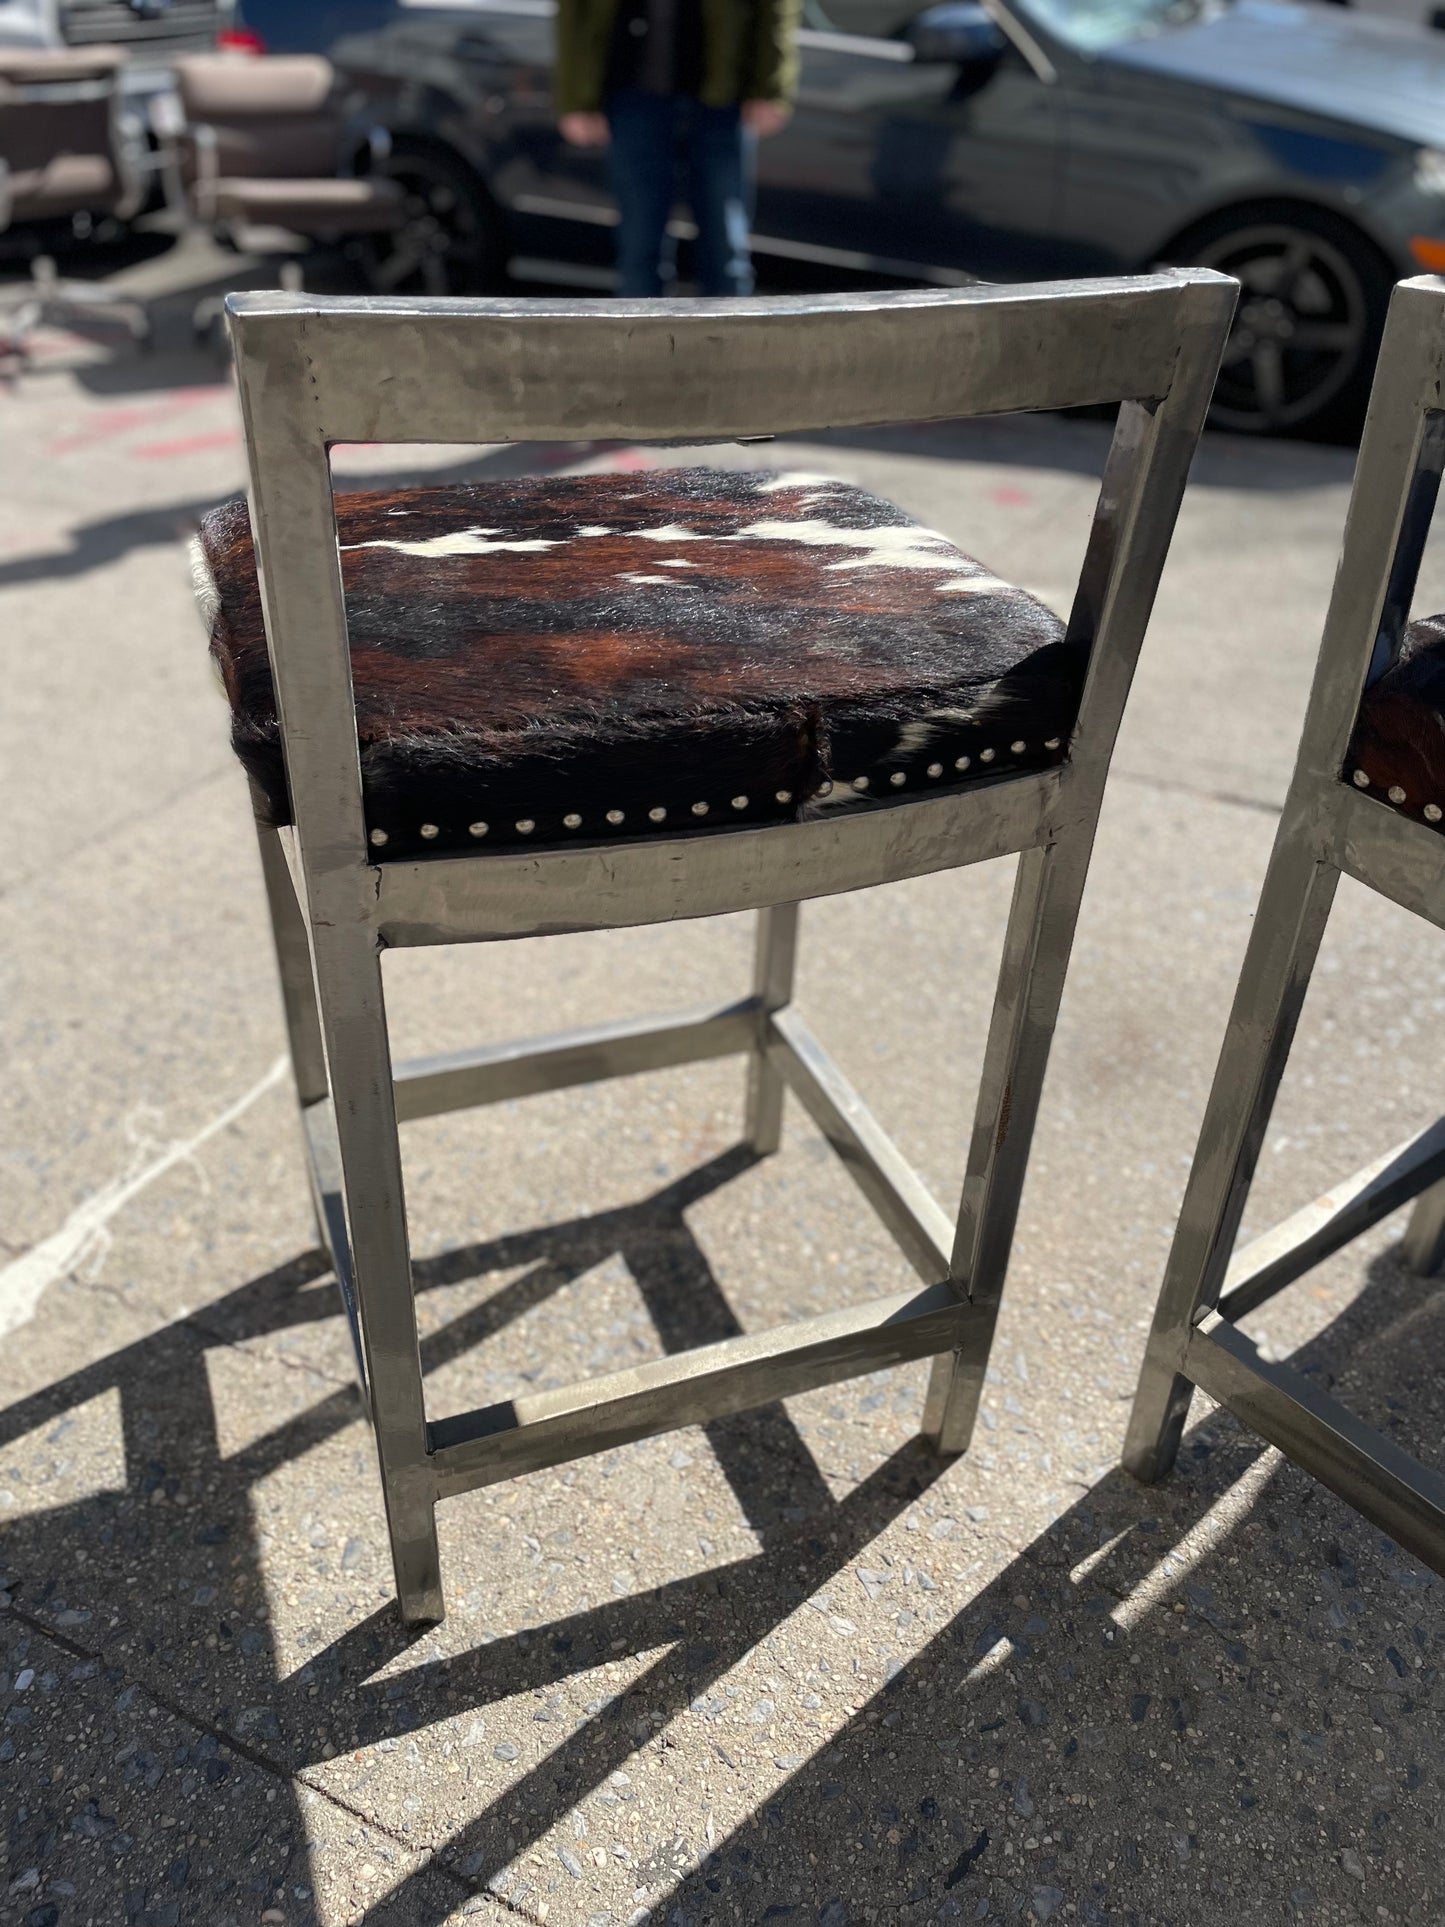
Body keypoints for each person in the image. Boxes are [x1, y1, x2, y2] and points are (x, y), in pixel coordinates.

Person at [555, 0, 800, 297]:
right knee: (640, 246)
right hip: (634, 92)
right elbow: (573, 11)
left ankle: (729, 343)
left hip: (720, 96)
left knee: (724, 248)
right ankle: (643, 343)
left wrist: (770, 86)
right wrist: (576, 98)